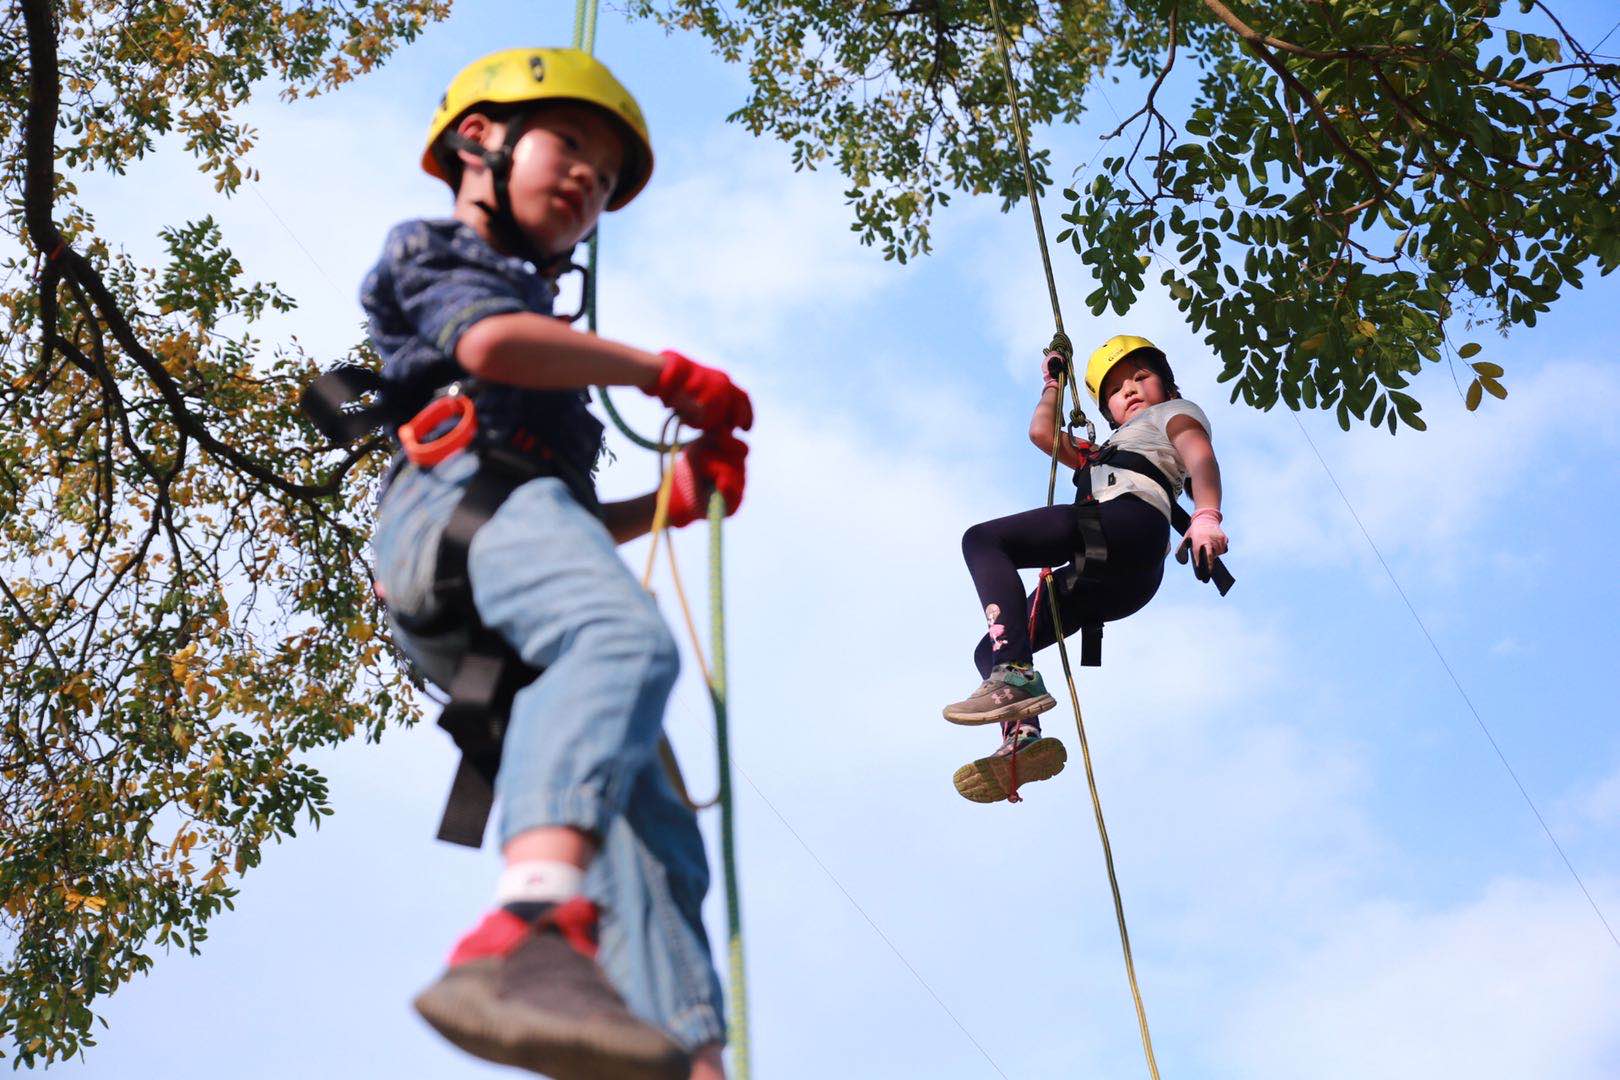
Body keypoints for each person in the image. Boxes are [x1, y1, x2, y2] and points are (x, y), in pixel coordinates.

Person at [360, 48, 750, 1080]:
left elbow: (553, 523)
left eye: (608, 177)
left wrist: (665, 505)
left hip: (500, 543)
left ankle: (682, 1058)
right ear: (478, 139)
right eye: (569, 143)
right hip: (448, 514)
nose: (589, 178)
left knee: (656, 834)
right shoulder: (434, 252)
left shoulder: (546, 359)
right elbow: (488, 347)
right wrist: (663, 375)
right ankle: (526, 930)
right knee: (622, 638)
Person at [945, 334, 1228, 803]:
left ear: (1166, 385)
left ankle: (1015, 674)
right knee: (987, 651)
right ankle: (1023, 737)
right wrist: (1053, 384)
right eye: (1115, 390)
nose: (1129, 389)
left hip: (1130, 526)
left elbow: (1200, 457)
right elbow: (1042, 434)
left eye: (1141, 377)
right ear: (1108, 409)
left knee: (984, 540)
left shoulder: (1173, 414)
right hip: (1113, 579)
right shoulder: (1100, 452)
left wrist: (1206, 516)